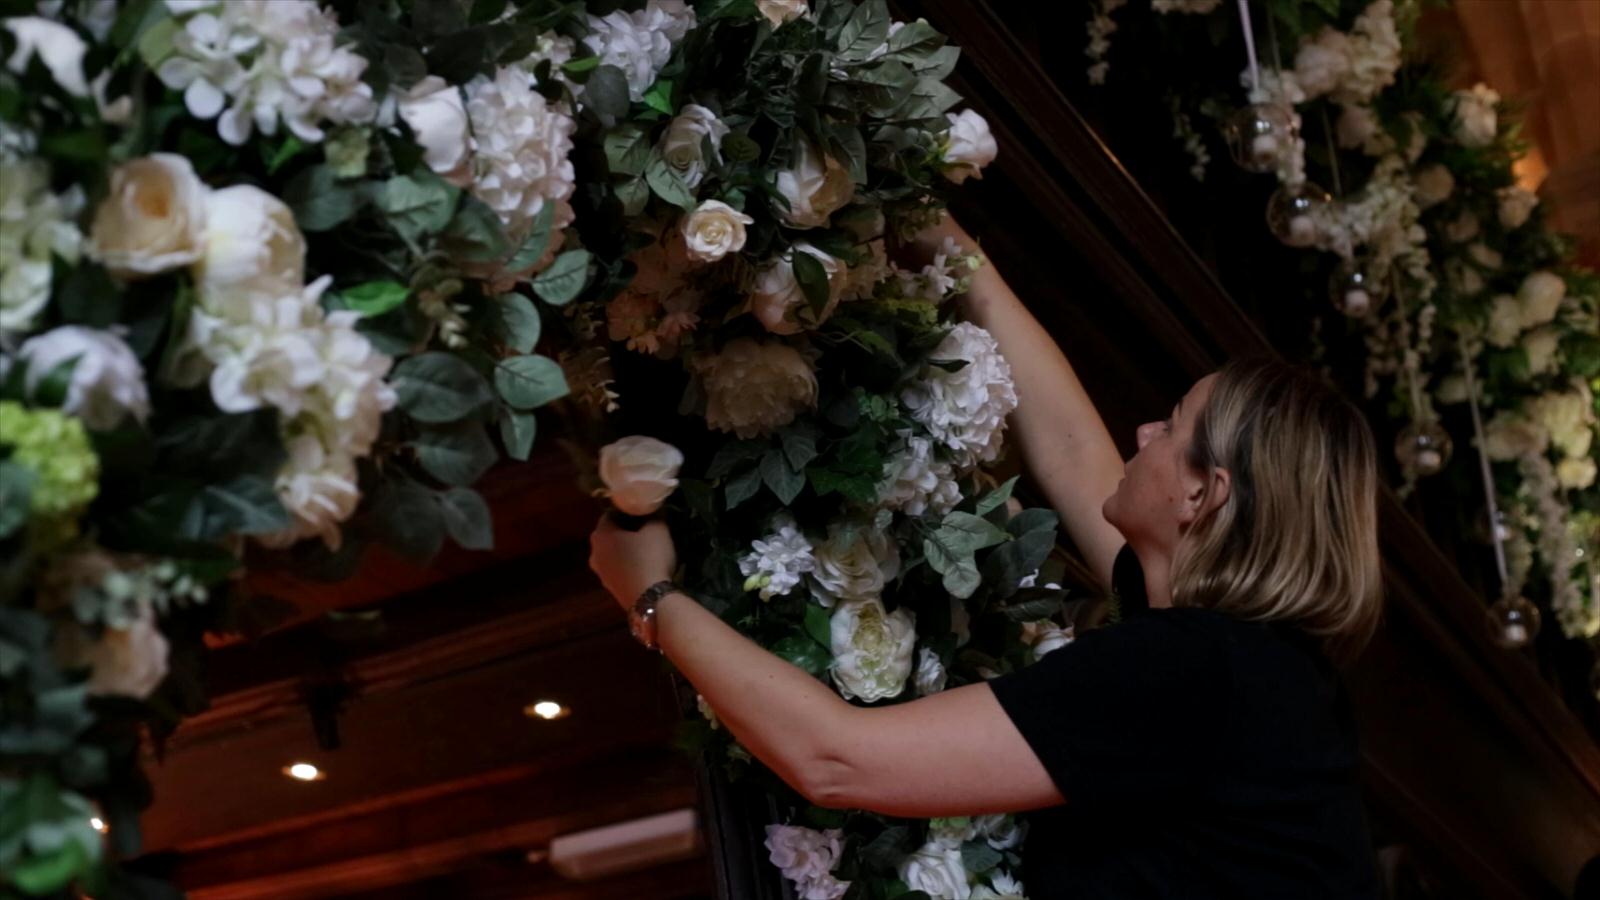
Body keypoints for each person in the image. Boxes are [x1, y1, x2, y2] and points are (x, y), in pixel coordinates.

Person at [588, 216, 1384, 899]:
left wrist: (652, 601)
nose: (1143, 435)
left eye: (1171, 427)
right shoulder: (1253, 670)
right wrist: (963, 260)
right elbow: (1075, 455)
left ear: (1202, 497)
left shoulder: (1194, 671)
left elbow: (839, 759)